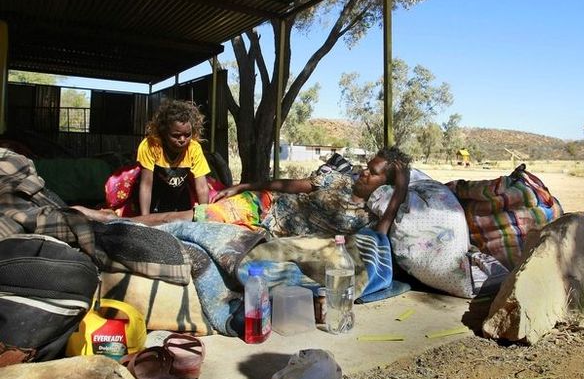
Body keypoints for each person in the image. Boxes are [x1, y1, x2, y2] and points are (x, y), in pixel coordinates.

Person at [75, 146, 411, 237]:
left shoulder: (365, 220)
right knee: (195, 215)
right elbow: (284, 186)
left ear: (387, 183)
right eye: (367, 164)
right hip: (261, 206)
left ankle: (115, 222)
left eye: (373, 172)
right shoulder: (336, 180)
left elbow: (382, 235)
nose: (364, 171)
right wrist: (244, 185)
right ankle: (111, 221)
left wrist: (401, 186)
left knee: (191, 222)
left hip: (269, 228)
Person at [137, 99, 211, 215]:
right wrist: (145, 219)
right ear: (163, 131)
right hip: (154, 198)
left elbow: (202, 187)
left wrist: (203, 217)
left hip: (180, 197)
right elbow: (146, 185)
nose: (182, 140)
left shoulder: (194, 148)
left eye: (187, 135)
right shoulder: (150, 146)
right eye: (176, 135)